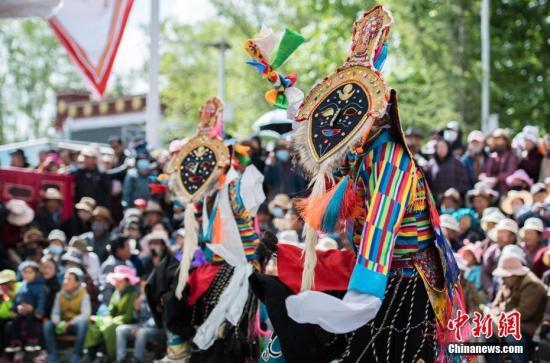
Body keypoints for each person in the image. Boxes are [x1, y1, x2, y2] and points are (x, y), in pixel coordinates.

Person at [247, 7, 463, 361]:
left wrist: (353, 304)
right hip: (374, 267)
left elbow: (380, 233)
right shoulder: (362, 152)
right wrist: (286, 89)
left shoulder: (391, 164)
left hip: (400, 282)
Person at [487, 253, 547, 363]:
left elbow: (524, 313)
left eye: (505, 276)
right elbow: (495, 305)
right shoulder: (506, 282)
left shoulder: (532, 285)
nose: (502, 279)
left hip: (530, 326)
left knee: (512, 335)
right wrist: (493, 320)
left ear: (514, 274)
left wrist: (499, 321)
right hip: (509, 321)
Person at [83, 265, 139, 362]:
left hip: (128, 321)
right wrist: (104, 319)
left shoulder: (133, 294)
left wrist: (111, 321)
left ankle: (107, 355)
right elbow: (111, 310)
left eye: (119, 280)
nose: (116, 283)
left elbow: (129, 316)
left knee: (109, 328)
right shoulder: (117, 292)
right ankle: (90, 353)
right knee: (96, 325)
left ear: (127, 281)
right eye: (116, 280)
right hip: (113, 320)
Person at [43, 268, 91, 363]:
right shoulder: (59, 295)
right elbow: (55, 313)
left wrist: (70, 323)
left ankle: (76, 355)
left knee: (83, 324)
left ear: (77, 283)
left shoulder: (84, 295)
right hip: (62, 325)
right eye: (65, 279)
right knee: (47, 325)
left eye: (69, 279)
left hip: (75, 325)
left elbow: (85, 315)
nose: (65, 282)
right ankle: (52, 355)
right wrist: (58, 323)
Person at [6, 261, 47, 354]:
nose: (27, 275)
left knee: (30, 319)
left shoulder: (41, 287)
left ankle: (32, 341)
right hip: (22, 311)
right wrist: (15, 308)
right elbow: (17, 298)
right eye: (24, 272)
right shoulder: (22, 285)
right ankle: (15, 342)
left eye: (30, 272)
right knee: (15, 320)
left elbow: (41, 300)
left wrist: (37, 310)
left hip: (34, 313)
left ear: (36, 273)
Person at [116, 281, 163, 363]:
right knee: (120, 329)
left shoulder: (155, 299)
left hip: (153, 328)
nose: (143, 289)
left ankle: (136, 359)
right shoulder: (140, 298)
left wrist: (140, 327)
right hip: (140, 325)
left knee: (141, 332)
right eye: (141, 287)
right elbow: (136, 318)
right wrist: (136, 310)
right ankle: (121, 358)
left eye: (145, 286)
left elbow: (156, 319)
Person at [482, 218, 518, 297]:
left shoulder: (518, 252)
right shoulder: (492, 251)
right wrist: (490, 288)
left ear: (512, 237)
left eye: (503, 233)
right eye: (499, 232)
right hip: (493, 289)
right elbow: (485, 272)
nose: (500, 236)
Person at [481, 128, 519, 195]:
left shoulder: (511, 156)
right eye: (495, 138)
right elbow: (484, 172)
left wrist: (496, 179)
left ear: (505, 140)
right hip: (489, 192)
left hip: (505, 191)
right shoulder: (491, 156)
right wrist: (485, 178)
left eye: (499, 138)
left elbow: (510, 173)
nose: (496, 141)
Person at [100, 235, 135, 305]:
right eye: (127, 246)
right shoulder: (109, 265)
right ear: (119, 250)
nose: (130, 249)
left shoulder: (129, 263)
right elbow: (106, 291)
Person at [1, 199, 35, 267]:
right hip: (9, 249)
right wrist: (20, 237)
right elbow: (7, 241)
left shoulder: (27, 225)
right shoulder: (5, 224)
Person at [0, 270, 17, 354]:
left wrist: (9, 297)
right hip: (6, 317)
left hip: (18, 318)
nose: (3, 286)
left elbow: (14, 311)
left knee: (9, 326)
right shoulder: (3, 294)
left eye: (6, 283)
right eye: (2, 284)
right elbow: (2, 314)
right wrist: (4, 298)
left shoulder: (19, 288)